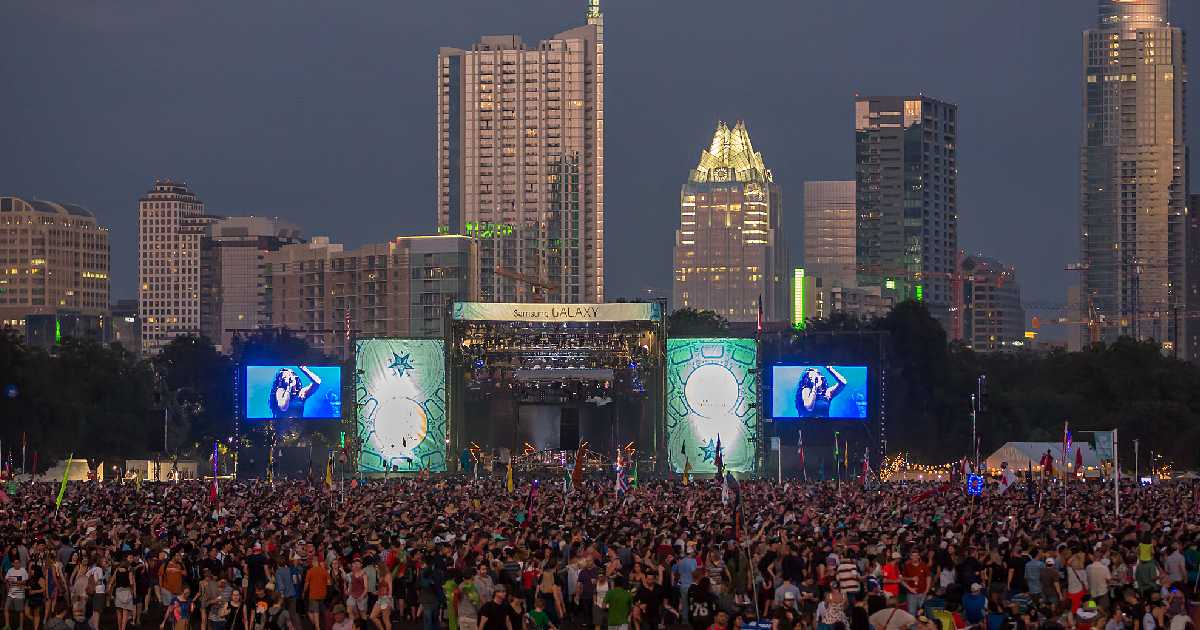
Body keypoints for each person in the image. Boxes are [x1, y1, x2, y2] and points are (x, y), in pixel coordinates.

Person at [6, 556, 29, 630]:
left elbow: (24, 582)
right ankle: (7, 625)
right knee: (6, 609)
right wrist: (8, 584)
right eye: (16, 563)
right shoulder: (10, 570)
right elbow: (6, 580)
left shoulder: (23, 570)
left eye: (18, 563)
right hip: (11, 594)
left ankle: (21, 627)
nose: (17, 564)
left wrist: (14, 581)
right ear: (13, 564)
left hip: (19, 594)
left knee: (20, 611)